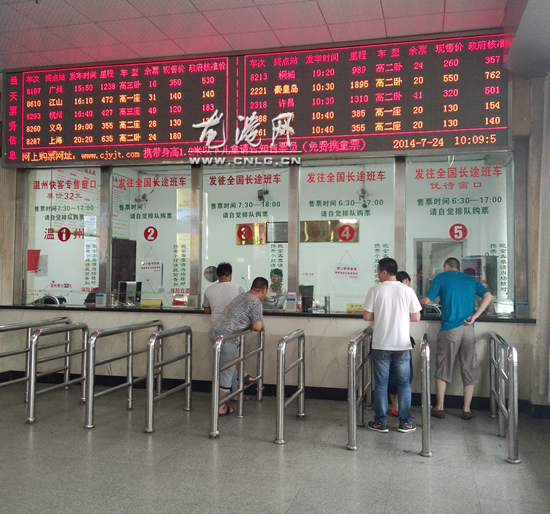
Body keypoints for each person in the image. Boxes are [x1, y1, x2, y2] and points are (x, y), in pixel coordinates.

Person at [420, 257, 493, 420]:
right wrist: (475, 316)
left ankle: (439, 407)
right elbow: (488, 296)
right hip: (469, 329)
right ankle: (466, 409)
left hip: (450, 329)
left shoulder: (441, 277)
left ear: (445, 266)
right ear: (458, 267)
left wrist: (411, 303)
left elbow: (427, 300)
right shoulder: (470, 280)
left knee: (443, 365)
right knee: (469, 366)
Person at [363, 258, 422, 433]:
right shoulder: (407, 291)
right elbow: (416, 317)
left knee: (381, 384)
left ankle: (380, 422)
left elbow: (366, 316)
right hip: (402, 345)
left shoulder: (374, 290)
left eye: (377, 271)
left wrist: (382, 315)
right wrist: (401, 316)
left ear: (383, 272)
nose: (377, 274)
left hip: (381, 344)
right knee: (403, 384)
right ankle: (405, 423)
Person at [209, 277, 269, 416]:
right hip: (227, 339)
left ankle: (243, 375)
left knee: (232, 359)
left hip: (215, 333)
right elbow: (258, 326)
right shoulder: (255, 302)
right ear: (264, 290)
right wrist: (251, 325)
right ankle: (219, 406)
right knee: (227, 372)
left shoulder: (242, 296)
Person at [203, 262, 247, 400]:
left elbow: (206, 310)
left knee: (226, 362)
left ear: (217, 276)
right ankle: (224, 398)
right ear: (230, 275)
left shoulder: (208, 290)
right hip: (232, 331)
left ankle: (233, 393)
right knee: (229, 364)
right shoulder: (238, 288)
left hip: (215, 331)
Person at [388, 271, 415, 418]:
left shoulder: (384, 291)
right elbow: (416, 316)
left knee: (392, 375)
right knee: (403, 376)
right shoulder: (406, 292)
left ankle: (395, 407)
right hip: (401, 341)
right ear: (405, 280)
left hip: (386, 341)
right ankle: (398, 408)